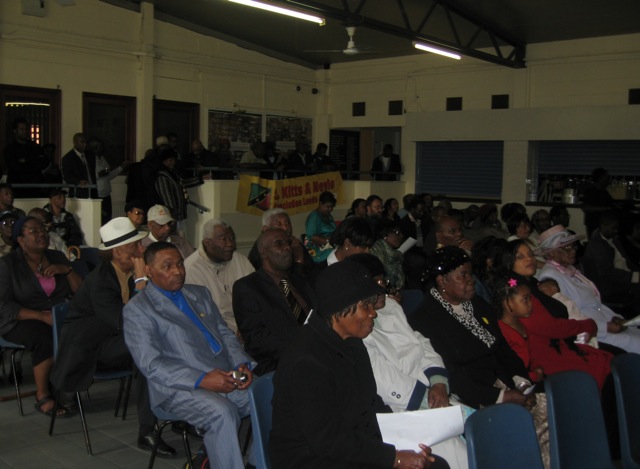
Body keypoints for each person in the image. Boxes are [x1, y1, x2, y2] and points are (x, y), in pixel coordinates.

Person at [270, 261, 447, 469]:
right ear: (340, 308)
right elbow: (327, 440)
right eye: (365, 305)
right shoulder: (306, 362)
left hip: (347, 441)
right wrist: (394, 457)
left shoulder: (353, 343)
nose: (373, 313)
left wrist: (405, 438)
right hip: (311, 457)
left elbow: (371, 404)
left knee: (434, 465)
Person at [408, 247, 550, 466]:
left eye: (470, 273)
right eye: (462, 275)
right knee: (522, 423)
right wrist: (500, 397)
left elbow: (502, 349)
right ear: (442, 281)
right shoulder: (425, 318)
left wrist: (520, 381)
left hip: (505, 383)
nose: (471, 280)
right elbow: (452, 374)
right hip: (473, 394)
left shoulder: (477, 305)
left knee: (545, 406)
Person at [123, 241, 255, 469]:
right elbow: (151, 364)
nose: (177, 271)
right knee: (222, 413)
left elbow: (224, 333)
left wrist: (241, 363)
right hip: (178, 388)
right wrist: (202, 379)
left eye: (180, 264)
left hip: (224, 373)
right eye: (167, 266)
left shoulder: (198, 293)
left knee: (271, 396)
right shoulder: (139, 310)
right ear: (149, 271)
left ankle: (256, 462)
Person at [50, 217, 176, 455]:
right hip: (91, 350)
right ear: (117, 252)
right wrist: (141, 284)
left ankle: (180, 414)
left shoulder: (129, 272)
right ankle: (147, 431)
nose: (141, 250)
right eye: (135, 247)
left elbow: (157, 312)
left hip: (115, 340)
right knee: (146, 350)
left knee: (162, 345)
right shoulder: (100, 281)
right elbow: (128, 323)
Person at [347, 254, 469, 469]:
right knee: (455, 451)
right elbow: (384, 380)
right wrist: (433, 405)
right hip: (402, 409)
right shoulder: (354, 326)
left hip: (431, 394)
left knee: (481, 428)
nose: (383, 286)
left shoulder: (391, 308)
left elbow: (420, 342)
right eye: (376, 282)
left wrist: (439, 381)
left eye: (382, 280)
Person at [0, 216, 82, 416]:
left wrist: (68, 270)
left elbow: (81, 293)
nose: (41, 234)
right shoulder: (8, 264)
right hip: (19, 319)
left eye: (43, 230)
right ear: (20, 239)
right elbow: (3, 305)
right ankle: (42, 394)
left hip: (56, 315)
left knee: (81, 331)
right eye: (34, 231)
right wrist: (41, 316)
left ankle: (67, 387)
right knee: (44, 336)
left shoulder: (57, 257)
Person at [492, 274, 612, 390]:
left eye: (530, 298)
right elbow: (514, 369)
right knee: (596, 373)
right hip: (545, 375)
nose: (531, 304)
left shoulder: (522, 319)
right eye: (525, 300)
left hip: (554, 359)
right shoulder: (503, 332)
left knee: (603, 363)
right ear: (507, 304)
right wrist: (535, 375)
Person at [536, 226, 640, 354]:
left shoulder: (569, 269)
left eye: (573, 246)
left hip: (606, 321)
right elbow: (568, 316)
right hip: (593, 333)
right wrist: (605, 327)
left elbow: (595, 304)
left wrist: (617, 318)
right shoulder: (550, 278)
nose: (573, 250)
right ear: (551, 253)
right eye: (567, 248)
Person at [233, 228, 314, 375]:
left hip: (315, 352)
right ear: (263, 252)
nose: (288, 247)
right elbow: (257, 339)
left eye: (288, 242)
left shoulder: (299, 280)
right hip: (279, 363)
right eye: (279, 243)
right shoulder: (248, 287)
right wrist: (304, 349)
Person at [184, 218, 254, 333]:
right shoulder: (192, 270)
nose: (230, 244)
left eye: (231, 238)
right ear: (208, 243)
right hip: (218, 333)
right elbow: (202, 318)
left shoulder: (241, 261)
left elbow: (256, 298)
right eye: (224, 239)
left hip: (248, 326)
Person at [582, 211, 640, 312]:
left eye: (617, 228)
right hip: (611, 286)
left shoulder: (613, 240)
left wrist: (636, 272)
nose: (616, 231)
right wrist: (633, 276)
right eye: (613, 228)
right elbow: (606, 272)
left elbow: (627, 261)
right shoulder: (597, 245)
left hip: (623, 278)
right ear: (603, 226)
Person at [247, 208, 313, 275]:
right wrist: (299, 259)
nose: (285, 227)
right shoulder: (261, 251)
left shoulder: (294, 243)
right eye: (278, 224)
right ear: (266, 229)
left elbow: (311, 269)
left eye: (287, 223)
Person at [3, 117, 48, 198]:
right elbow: (14, 167)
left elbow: (44, 162)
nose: (25, 131)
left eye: (26, 129)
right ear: (15, 131)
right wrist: (33, 163)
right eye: (22, 129)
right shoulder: (10, 149)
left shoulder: (34, 146)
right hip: (17, 189)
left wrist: (27, 160)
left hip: (36, 189)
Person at [89, 137, 126, 224]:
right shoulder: (89, 159)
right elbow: (95, 175)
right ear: (95, 148)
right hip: (97, 195)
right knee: (98, 221)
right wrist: (102, 173)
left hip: (106, 194)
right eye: (101, 147)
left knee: (107, 220)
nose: (103, 149)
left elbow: (108, 176)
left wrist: (121, 168)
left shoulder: (102, 158)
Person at [155, 146, 189, 230]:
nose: (172, 163)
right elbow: (166, 197)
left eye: (173, 160)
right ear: (164, 162)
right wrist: (172, 214)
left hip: (178, 214)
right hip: (171, 215)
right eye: (170, 161)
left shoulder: (173, 173)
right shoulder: (162, 176)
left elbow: (183, 182)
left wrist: (199, 179)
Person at [370, 218, 405, 293]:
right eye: (397, 233)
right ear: (384, 235)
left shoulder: (396, 254)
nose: (401, 236)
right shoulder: (376, 251)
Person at [305, 190, 336, 263]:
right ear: (320, 204)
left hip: (329, 244)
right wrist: (329, 242)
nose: (330, 209)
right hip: (316, 248)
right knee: (336, 253)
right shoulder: (314, 216)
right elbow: (312, 237)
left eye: (331, 207)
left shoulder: (328, 216)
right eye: (327, 207)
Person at [61, 133, 96, 199]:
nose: (85, 144)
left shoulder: (90, 155)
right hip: (78, 192)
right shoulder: (68, 158)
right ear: (75, 142)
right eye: (82, 142)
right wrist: (78, 182)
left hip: (92, 190)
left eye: (86, 142)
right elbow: (67, 176)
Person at [582, 167, 615, 238]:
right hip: (594, 224)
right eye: (606, 177)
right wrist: (603, 209)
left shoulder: (604, 192)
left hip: (603, 224)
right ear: (600, 179)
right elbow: (586, 208)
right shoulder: (591, 192)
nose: (609, 180)